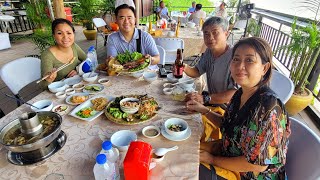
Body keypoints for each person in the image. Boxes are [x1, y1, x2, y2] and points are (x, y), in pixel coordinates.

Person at [187, 37, 291, 179]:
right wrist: (203, 110)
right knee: (185, 148)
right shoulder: (240, 94)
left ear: (264, 68)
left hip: (249, 175)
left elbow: (257, 165)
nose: (240, 66)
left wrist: (211, 159)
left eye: (249, 60)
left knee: (188, 170)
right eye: (236, 59)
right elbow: (229, 125)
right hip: (228, 154)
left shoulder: (269, 108)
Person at [40, 18, 86, 89]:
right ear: (54, 36)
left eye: (69, 33)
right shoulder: (47, 55)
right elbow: (44, 86)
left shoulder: (73, 46)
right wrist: (49, 79)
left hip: (77, 86)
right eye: (59, 33)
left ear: (73, 34)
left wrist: (78, 70)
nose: (65, 37)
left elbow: (87, 60)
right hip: (60, 92)